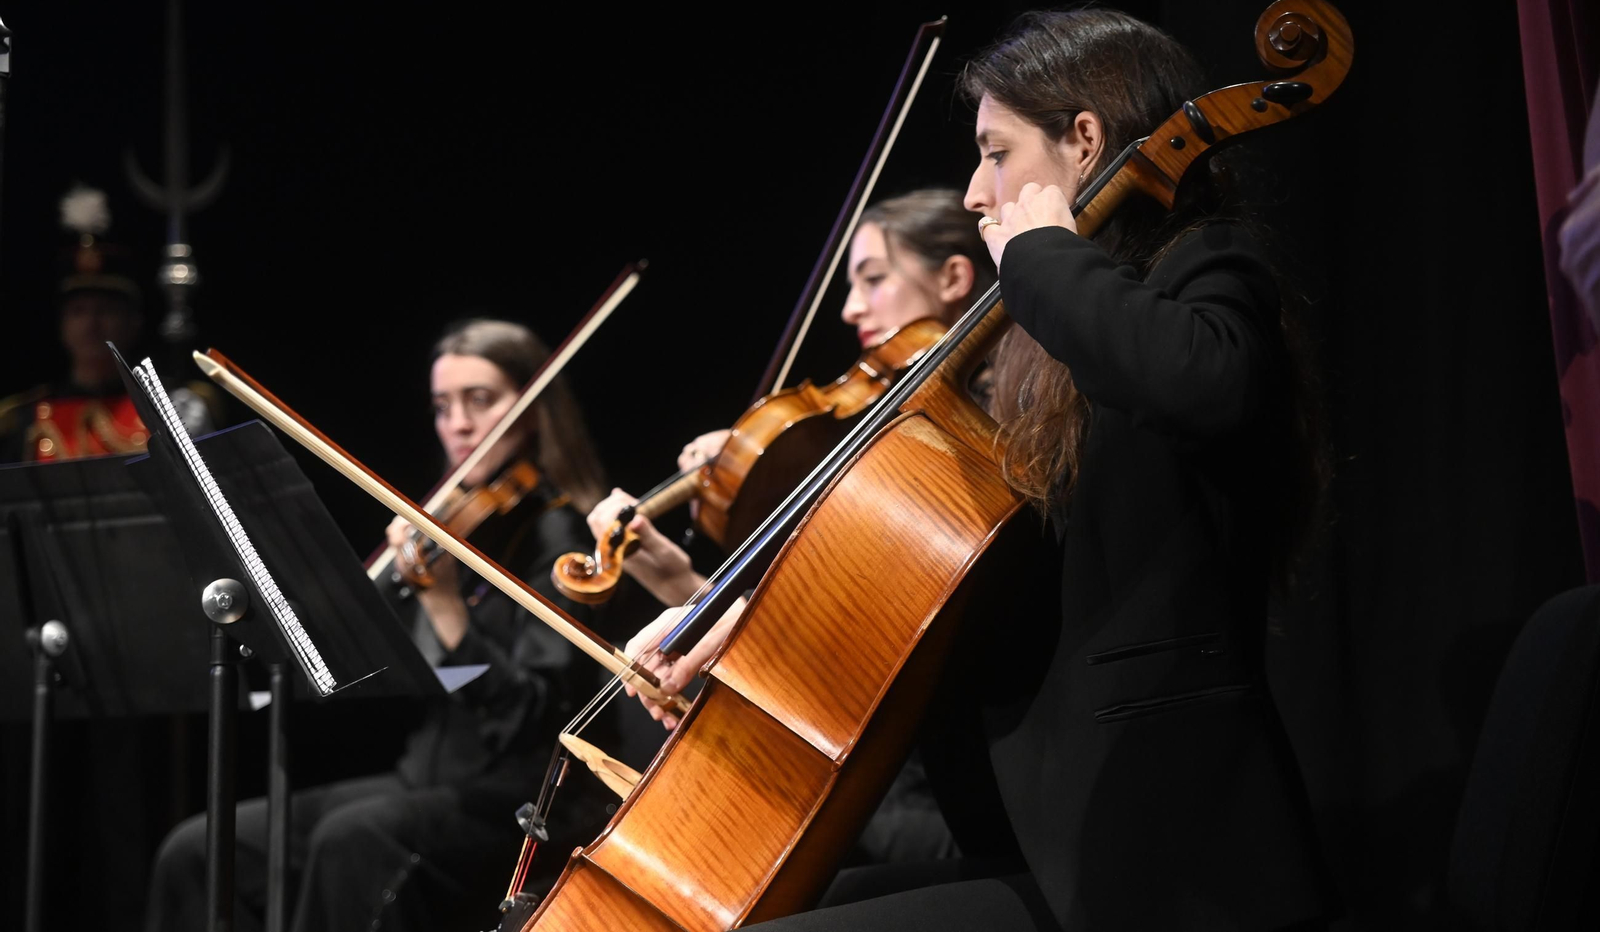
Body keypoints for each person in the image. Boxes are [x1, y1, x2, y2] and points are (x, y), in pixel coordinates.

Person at [645, 9, 1336, 931]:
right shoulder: (1050, 347)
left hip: (1160, 852)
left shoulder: (1204, 267)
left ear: (1084, 139)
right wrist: (759, 627)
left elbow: (1199, 380)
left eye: (995, 152)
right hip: (1047, 825)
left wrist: (1045, 256)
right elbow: (970, 576)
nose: (974, 192)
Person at [144, 318, 647, 932]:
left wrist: (446, 609)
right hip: (426, 778)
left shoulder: (562, 538)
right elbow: (380, 666)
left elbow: (525, 717)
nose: (458, 424)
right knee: (199, 849)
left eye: (480, 401)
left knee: (351, 841)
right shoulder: (447, 531)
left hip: (527, 799)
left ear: (536, 411)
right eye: (443, 407)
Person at [594, 189, 997, 867]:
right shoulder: (885, 428)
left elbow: (871, 610)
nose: (849, 308)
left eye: (873, 278)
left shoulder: (988, 432)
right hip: (881, 766)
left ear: (955, 278)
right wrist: (683, 583)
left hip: (945, 790)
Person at [0, 185, 211, 461]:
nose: (91, 323)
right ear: (62, 324)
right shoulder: (23, 417)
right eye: (78, 311)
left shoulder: (170, 407)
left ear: (133, 322)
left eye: (106, 310)